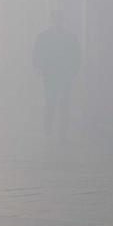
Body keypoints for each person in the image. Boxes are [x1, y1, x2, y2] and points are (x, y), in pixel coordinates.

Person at [32, 10, 80, 140]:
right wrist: (38, 67)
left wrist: (74, 70)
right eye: (56, 19)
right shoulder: (45, 37)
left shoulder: (68, 37)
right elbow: (37, 53)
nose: (57, 21)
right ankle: (49, 126)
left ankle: (61, 131)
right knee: (51, 101)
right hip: (51, 74)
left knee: (63, 102)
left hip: (63, 74)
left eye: (59, 19)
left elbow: (76, 56)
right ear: (52, 20)